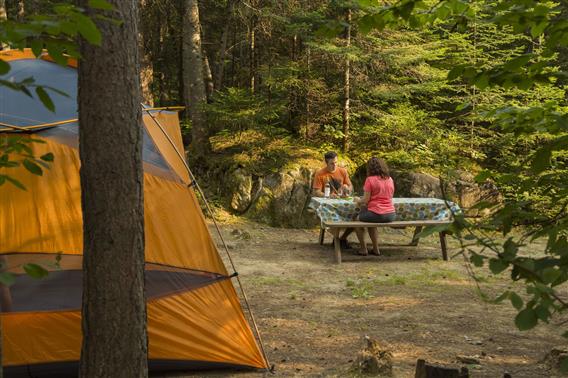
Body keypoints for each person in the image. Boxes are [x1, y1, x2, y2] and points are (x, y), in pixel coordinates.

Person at [354, 157, 396, 256]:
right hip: (391, 214)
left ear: (370, 168)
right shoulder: (389, 179)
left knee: (356, 221)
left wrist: (358, 200)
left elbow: (365, 200)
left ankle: (363, 249)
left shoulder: (370, 180)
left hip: (377, 214)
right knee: (371, 221)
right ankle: (376, 249)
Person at [313, 151, 354, 249]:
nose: (334, 165)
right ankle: (338, 240)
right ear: (326, 163)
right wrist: (328, 196)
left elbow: (350, 186)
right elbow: (316, 192)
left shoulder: (343, 171)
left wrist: (347, 190)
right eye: (332, 163)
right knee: (333, 219)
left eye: (336, 162)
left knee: (357, 218)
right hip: (329, 205)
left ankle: (341, 239)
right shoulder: (320, 173)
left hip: (343, 203)